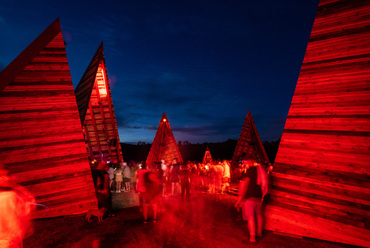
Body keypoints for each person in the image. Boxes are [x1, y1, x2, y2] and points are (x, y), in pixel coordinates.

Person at [0, 163, 34, 247]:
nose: (6, 178)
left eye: (7, 175)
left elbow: (27, 209)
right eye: (1, 176)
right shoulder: (9, 197)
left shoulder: (12, 194)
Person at [234, 160, 265, 243]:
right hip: (259, 197)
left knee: (250, 217)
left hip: (250, 198)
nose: (245, 164)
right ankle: (259, 233)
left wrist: (240, 199)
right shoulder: (261, 170)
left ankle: (252, 238)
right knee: (259, 215)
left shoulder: (251, 170)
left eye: (246, 162)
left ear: (250, 161)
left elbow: (246, 185)